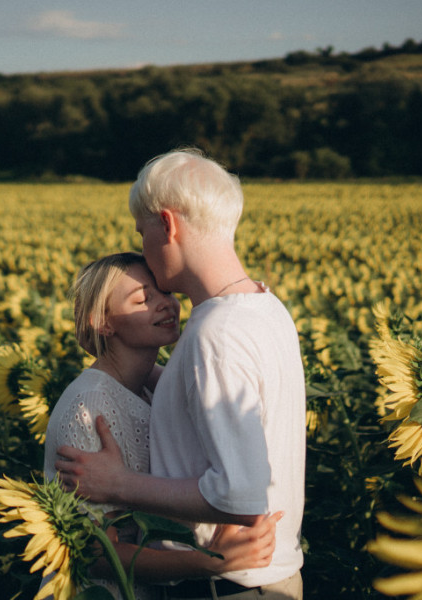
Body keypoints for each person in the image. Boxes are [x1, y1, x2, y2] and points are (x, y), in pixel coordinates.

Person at [55, 150, 307, 599]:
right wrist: (125, 363)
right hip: (265, 579)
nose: (145, 252)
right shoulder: (265, 307)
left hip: (228, 586)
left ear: (167, 225)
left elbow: (238, 493)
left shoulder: (217, 334)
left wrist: (118, 484)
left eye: (142, 233)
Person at [43, 251, 281, 600]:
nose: (165, 304)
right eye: (143, 299)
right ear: (103, 322)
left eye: (166, 292)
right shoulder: (89, 406)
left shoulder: (147, 387)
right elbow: (93, 553)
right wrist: (210, 563)